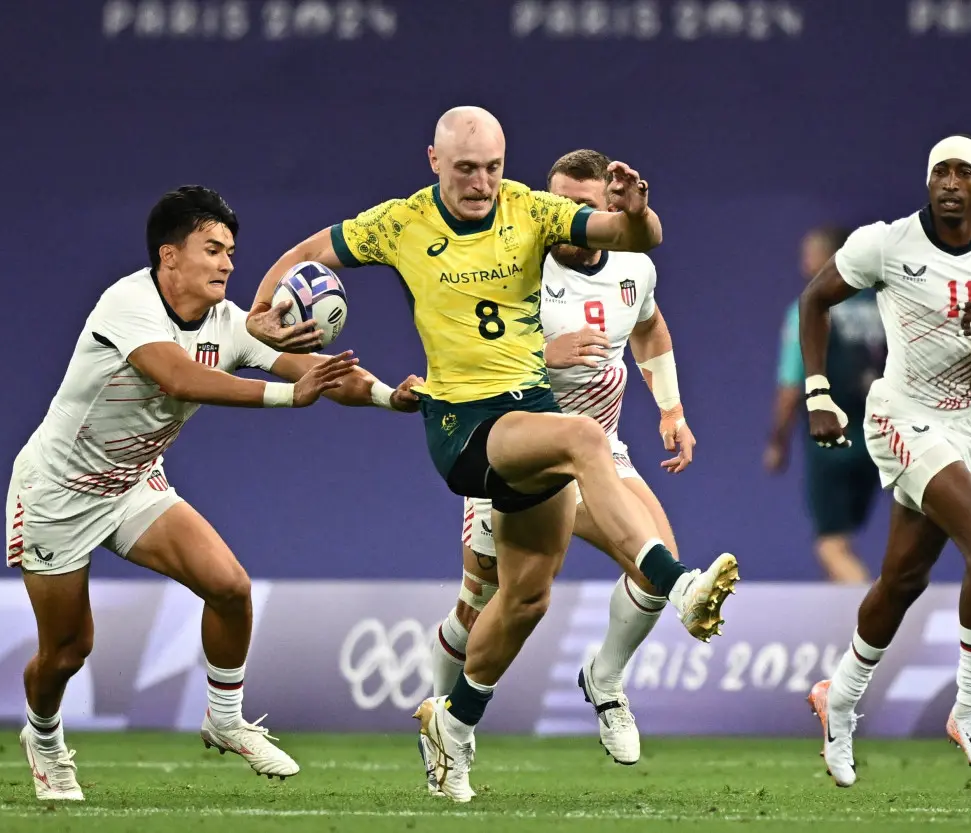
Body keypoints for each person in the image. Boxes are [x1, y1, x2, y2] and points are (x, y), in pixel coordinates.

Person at [246, 108, 739, 802]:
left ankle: (453, 727)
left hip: (528, 418)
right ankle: (680, 583)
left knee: (527, 599)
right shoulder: (400, 222)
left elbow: (628, 237)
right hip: (463, 423)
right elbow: (310, 251)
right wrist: (259, 310)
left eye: (493, 167)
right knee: (583, 440)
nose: (481, 183)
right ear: (434, 161)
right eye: (466, 168)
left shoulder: (531, 212)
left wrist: (639, 211)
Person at [8, 186, 422, 801]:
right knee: (68, 650)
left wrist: (391, 395)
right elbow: (178, 374)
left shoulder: (231, 324)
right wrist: (288, 397)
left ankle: (225, 721)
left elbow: (318, 372)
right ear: (168, 256)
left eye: (231, 251)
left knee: (230, 588)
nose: (228, 263)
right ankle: (43, 739)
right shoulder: (127, 303)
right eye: (212, 249)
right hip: (58, 493)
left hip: (133, 483)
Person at [429, 149, 718, 768]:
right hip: (513, 447)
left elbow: (649, 326)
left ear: (609, 211)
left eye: (584, 207)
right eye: (561, 204)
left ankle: (605, 683)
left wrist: (671, 410)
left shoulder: (634, 268)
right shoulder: (515, 263)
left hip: (600, 447)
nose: (569, 217)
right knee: (485, 600)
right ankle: (440, 714)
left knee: (651, 563)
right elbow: (466, 350)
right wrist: (543, 352)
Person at [800, 136, 971, 786]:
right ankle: (970, 708)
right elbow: (814, 300)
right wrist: (819, 392)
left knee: (902, 580)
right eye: (940, 169)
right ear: (928, 181)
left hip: (964, 422)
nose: (950, 180)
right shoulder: (886, 243)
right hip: (898, 414)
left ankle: (841, 698)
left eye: (964, 171)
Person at [764, 226, 886, 583]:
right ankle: (850, 633)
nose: (804, 263)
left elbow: (791, 385)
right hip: (879, 440)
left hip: (832, 439)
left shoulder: (811, 309)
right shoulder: (881, 307)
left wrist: (777, 441)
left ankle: (879, 622)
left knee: (830, 546)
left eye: (810, 255)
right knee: (842, 545)